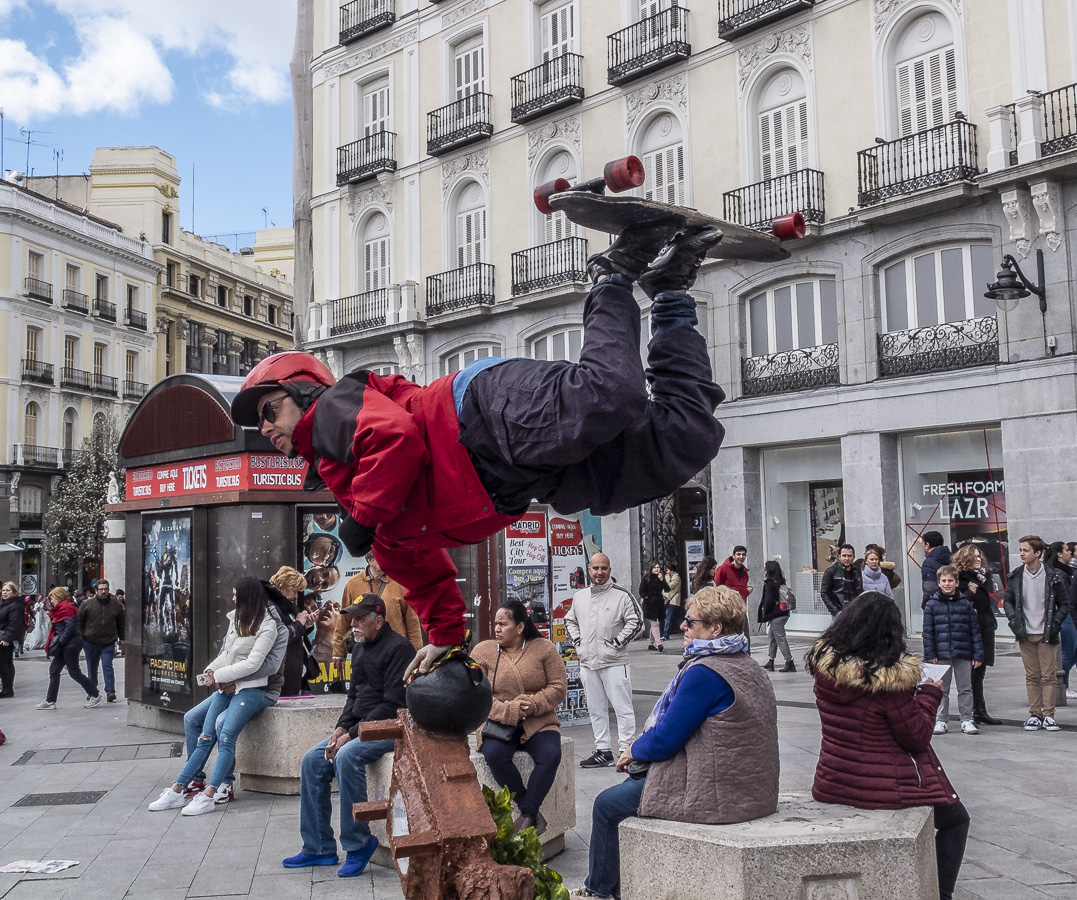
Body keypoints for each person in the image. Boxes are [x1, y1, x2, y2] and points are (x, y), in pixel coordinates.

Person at [229, 225, 726, 675]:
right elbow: (427, 583)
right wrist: (442, 641)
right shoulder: (364, 509)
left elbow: (396, 440)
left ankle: (612, 277)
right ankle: (672, 297)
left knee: (608, 395)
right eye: (259, 424)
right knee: (683, 443)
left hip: (479, 419)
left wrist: (364, 515)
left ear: (304, 392)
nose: (266, 427)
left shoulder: (336, 409)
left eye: (269, 410)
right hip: (518, 478)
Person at [568, 585, 778, 900]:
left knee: (607, 805)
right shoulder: (745, 662)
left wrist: (632, 750)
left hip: (719, 790)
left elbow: (666, 739)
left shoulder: (705, 672)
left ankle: (597, 890)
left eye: (690, 622)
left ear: (714, 628)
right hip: (752, 786)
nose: (682, 625)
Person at [806, 591, 970, 900]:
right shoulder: (888, 685)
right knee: (957, 819)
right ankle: (941, 894)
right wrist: (929, 693)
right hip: (884, 787)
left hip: (834, 778)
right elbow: (917, 736)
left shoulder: (826, 671)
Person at [281, 595, 413, 877]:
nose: (353, 624)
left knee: (346, 755)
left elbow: (393, 704)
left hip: (392, 726)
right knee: (312, 761)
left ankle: (359, 844)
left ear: (378, 620)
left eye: (360, 619)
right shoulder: (362, 646)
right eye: (352, 618)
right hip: (361, 726)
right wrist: (341, 728)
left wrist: (351, 736)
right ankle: (318, 848)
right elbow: (353, 696)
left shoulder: (399, 649)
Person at [148, 577, 280, 815]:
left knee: (226, 735)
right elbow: (227, 653)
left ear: (247, 597)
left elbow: (254, 663)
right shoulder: (236, 619)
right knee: (205, 737)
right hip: (226, 684)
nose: (232, 599)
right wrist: (211, 670)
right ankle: (178, 789)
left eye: (235, 595)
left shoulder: (268, 626)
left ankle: (209, 793)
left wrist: (221, 675)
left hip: (251, 689)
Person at [471, 600, 567, 835]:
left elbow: (558, 687)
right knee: (494, 754)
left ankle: (526, 815)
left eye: (503, 624)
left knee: (551, 755)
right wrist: (506, 710)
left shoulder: (544, 648)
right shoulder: (483, 651)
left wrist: (532, 704)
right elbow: (473, 692)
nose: (497, 629)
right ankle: (530, 812)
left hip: (538, 719)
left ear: (520, 627)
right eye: (496, 624)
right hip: (499, 721)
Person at [179, 601, 289, 806]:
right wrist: (214, 674)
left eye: (239, 597)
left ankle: (224, 783)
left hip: (261, 690)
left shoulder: (276, 629)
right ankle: (194, 779)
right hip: (230, 685)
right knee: (192, 718)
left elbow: (268, 667)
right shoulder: (239, 621)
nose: (235, 602)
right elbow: (226, 654)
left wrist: (230, 679)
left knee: (222, 723)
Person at [564, 553, 642, 768]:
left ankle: (627, 751)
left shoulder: (622, 596)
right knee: (596, 709)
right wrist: (579, 642)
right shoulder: (580, 597)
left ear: (610, 570)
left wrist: (617, 643)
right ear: (589, 570)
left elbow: (636, 622)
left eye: (604, 568)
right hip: (588, 662)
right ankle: (602, 750)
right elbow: (570, 620)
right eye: (595, 568)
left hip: (615, 662)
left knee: (622, 708)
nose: (599, 572)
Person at [1002, 535, 1070, 732]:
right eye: (1021, 550)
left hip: (1046, 632)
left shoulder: (1053, 576)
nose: (1021, 553)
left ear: (1038, 553)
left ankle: (1048, 715)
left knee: (1048, 675)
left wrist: (1055, 623)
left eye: (1025, 550)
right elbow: (1008, 601)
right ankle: (1034, 714)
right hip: (1025, 632)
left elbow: (1063, 604)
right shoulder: (1016, 575)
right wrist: (1014, 621)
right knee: (1032, 675)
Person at [923, 565, 983, 735]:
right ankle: (941, 719)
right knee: (941, 689)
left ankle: (966, 718)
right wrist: (930, 654)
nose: (947, 584)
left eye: (950, 581)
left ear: (956, 583)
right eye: (944, 581)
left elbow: (974, 630)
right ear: (938, 583)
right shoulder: (931, 605)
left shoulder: (965, 604)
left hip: (963, 652)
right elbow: (928, 632)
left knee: (965, 687)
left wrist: (977, 654)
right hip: (941, 654)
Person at [335, 552, 422, 660]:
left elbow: (412, 621)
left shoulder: (400, 583)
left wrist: (415, 653)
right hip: (364, 651)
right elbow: (344, 620)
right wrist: (338, 652)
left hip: (395, 651)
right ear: (370, 561)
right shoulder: (353, 584)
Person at [951, 544, 1001, 725]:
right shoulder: (961, 579)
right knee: (971, 672)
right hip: (970, 630)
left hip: (984, 627)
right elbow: (960, 604)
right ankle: (972, 711)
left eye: (979, 556)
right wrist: (971, 591)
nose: (978, 559)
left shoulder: (982, 577)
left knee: (980, 672)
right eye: (974, 556)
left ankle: (980, 710)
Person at [37, 587, 103, 710]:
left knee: (74, 672)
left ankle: (95, 695)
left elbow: (70, 627)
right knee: (54, 670)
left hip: (69, 644)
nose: (51, 601)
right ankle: (50, 700)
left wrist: (60, 642)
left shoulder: (66, 608)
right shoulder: (62, 608)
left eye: (52, 598)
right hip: (67, 644)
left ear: (58, 597)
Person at [264, 567, 316, 697]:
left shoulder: (287, 605)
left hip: (293, 672)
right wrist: (298, 624)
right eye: (294, 591)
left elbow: (296, 634)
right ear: (283, 587)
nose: (296, 596)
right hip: (281, 674)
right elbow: (280, 637)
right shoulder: (270, 606)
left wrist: (307, 625)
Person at [78, 579, 125, 703]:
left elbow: (121, 624)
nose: (104, 591)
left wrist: (122, 639)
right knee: (92, 667)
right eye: (101, 589)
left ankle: (110, 691)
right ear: (96, 590)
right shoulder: (86, 604)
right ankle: (92, 691)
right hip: (90, 641)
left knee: (107, 665)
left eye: (106, 589)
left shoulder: (116, 605)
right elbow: (80, 622)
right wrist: (81, 637)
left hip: (108, 641)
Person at [1045, 541, 1077, 700]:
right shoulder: (1059, 573)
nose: (1069, 552)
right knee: (1068, 651)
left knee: (1074, 651)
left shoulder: (1066, 571)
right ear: (1058, 554)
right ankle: (1062, 685)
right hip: (1065, 617)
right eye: (1066, 550)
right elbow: (1065, 598)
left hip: (1069, 615)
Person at [758, 560, 794, 673]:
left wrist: (765, 615)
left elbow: (768, 601)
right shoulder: (780, 582)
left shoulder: (769, 584)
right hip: (783, 613)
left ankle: (789, 661)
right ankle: (771, 660)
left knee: (780, 638)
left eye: (765, 568)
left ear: (768, 570)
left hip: (775, 615)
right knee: (773, 637)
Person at [820, 544, 862, 618]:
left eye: (849, 556)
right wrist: (836, 612)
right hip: (840, 612)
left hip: (855, 612)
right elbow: (824, 593)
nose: (847, 558)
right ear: (839, 557)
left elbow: (859, 591)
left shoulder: (857, 571)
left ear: (853, 557)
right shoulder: (831, 571)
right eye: (844, 556)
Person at [0, 582, 27, 698]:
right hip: (3, 636)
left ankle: (7, 689)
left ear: (14, 592)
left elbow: (15, 624)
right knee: (7, 662)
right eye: (3, 590)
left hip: (5, 638)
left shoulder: (15, 605)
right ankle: (7, 688)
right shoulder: (4, 604)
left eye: (8, 591)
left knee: (3, 663)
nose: (5, 592)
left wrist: (7, 639)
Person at [638, 561, 668, 652]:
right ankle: (659, 644)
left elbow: (667, 589)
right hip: (650, 604)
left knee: (654, 624)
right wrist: (647, 598)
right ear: (651, 569)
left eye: (658, 567)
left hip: (658, 604)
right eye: (655, 567)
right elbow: (641, 590)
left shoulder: (660, 577)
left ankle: (651, 644)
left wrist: (662, 580)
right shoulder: (646, 577)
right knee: (654, 623)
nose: (656, 569)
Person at [921, 531, 952, 609]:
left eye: (923, 544)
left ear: (927, 545)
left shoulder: (928, 562)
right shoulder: (952, 558)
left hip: (936, 606)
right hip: (953, 603)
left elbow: (930, 588)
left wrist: (925, 605)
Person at [661, 565, 682, 640]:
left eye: (668, 570)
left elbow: (669, 586)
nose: (667, 572)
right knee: (675, 617)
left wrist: (667, 578)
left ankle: (665, 634)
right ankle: (687, 628)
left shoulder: (676, 577)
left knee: (667, 618)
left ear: (672, 571)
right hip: (668, 599)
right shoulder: (668, 576)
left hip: (672, 600)